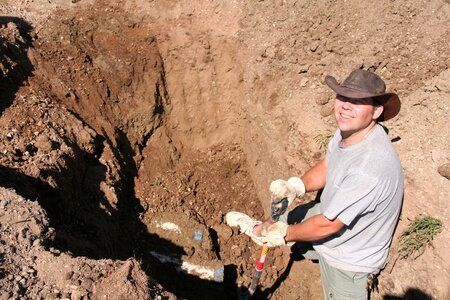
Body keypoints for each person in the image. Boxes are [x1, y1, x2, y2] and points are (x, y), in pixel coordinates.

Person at [226, 69, 404, 300]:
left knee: (287, 229)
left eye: (358, 101)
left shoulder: (369, 168)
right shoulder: (351, 133)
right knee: (288, 219)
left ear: (377, 111)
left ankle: (271, 234)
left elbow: (328, 225)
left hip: (349, 260)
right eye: (343, 97)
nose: (346, 106)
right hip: (333, 214)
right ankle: (260, 230)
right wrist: (296, 186)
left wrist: (285, 235)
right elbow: (330, 165)